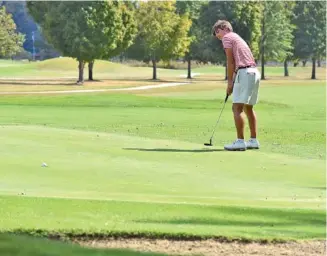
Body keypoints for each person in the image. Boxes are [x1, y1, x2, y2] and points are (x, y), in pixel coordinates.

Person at [212, 20, 261, 151]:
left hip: (244, 72)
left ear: (222, 28)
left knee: (236, 108)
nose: (219, 37)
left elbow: (230, 62)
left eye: (217, 33)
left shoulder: (227, 37)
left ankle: (240, 141)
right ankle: (253, 140)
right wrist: (233, 80)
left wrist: (229, 83)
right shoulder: (237, 37)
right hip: (254, 72)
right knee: (248, 108)